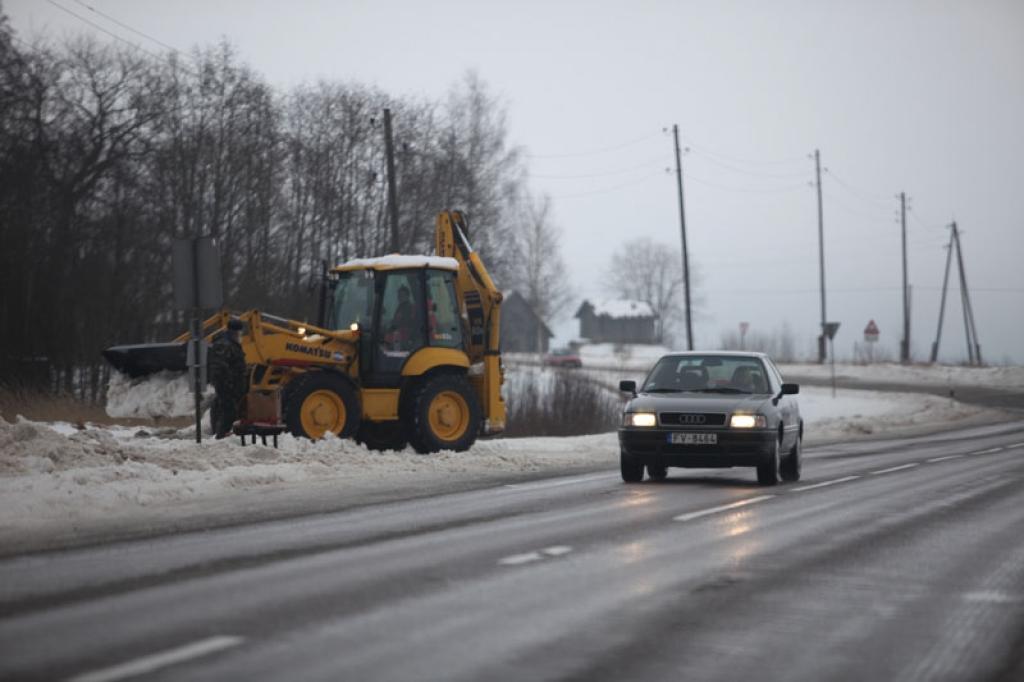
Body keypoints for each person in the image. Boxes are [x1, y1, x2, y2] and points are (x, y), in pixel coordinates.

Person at [209, 320, 247, 438]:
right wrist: (228, 383)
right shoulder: (224, 345)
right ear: (234, 332)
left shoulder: (232, 344)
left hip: (232, 386)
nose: (240, 336)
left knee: (230, 413)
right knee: (229, 413)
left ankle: (224, 436)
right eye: (239, 333)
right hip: (226, 386)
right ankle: (221, 437)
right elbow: (219, 367)